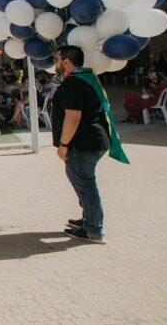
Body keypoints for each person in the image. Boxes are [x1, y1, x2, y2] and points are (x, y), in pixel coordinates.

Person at [51, 45, 111, 244]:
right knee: (79, 180)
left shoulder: (74, 84)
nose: (55, 63)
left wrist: (64, 144)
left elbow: (73, 117)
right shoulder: (86, 79)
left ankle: (94, 229)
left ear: (67, 61)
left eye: (57, 59)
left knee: (85, 184)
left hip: (84, 143)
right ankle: (88, 219)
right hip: (92, 140)